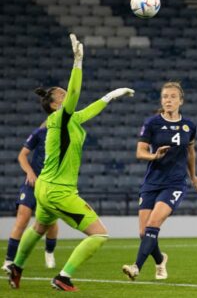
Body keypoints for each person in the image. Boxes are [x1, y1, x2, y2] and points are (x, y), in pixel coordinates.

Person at [5, 34, 135, 291]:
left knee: (39, 227)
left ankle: (16, 266)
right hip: (59, 191)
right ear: (55, 105)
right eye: (62, 95)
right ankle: (63, 277)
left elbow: (90, 109)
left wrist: (112, 95)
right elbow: (75, 90)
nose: (68, 95)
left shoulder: (71, 119)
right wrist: (77, 63)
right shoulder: (61, 118)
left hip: (44, 186)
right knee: (99, 234)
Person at [122, 82, 197, 280]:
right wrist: (154, 156)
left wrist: (193, 176)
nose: (168, 100)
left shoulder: (189, 126)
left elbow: (190, 152)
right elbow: (140, 152)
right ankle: (161, 261)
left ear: (181, 101)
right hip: (152, 183)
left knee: (153, 223)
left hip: (175, 183)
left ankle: (136, 267)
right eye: (165, 97)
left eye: (172, 97)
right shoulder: (152, 123)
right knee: (144, 233)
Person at [3, 98, 60, 272]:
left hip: (51, 185)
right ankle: (8, 261)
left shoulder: (65, 134)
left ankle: (49, 252)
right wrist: (29, 172)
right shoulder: (39, 133)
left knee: (50, 223)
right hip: (32, 183)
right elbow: (22, 156)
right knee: (23, 217)